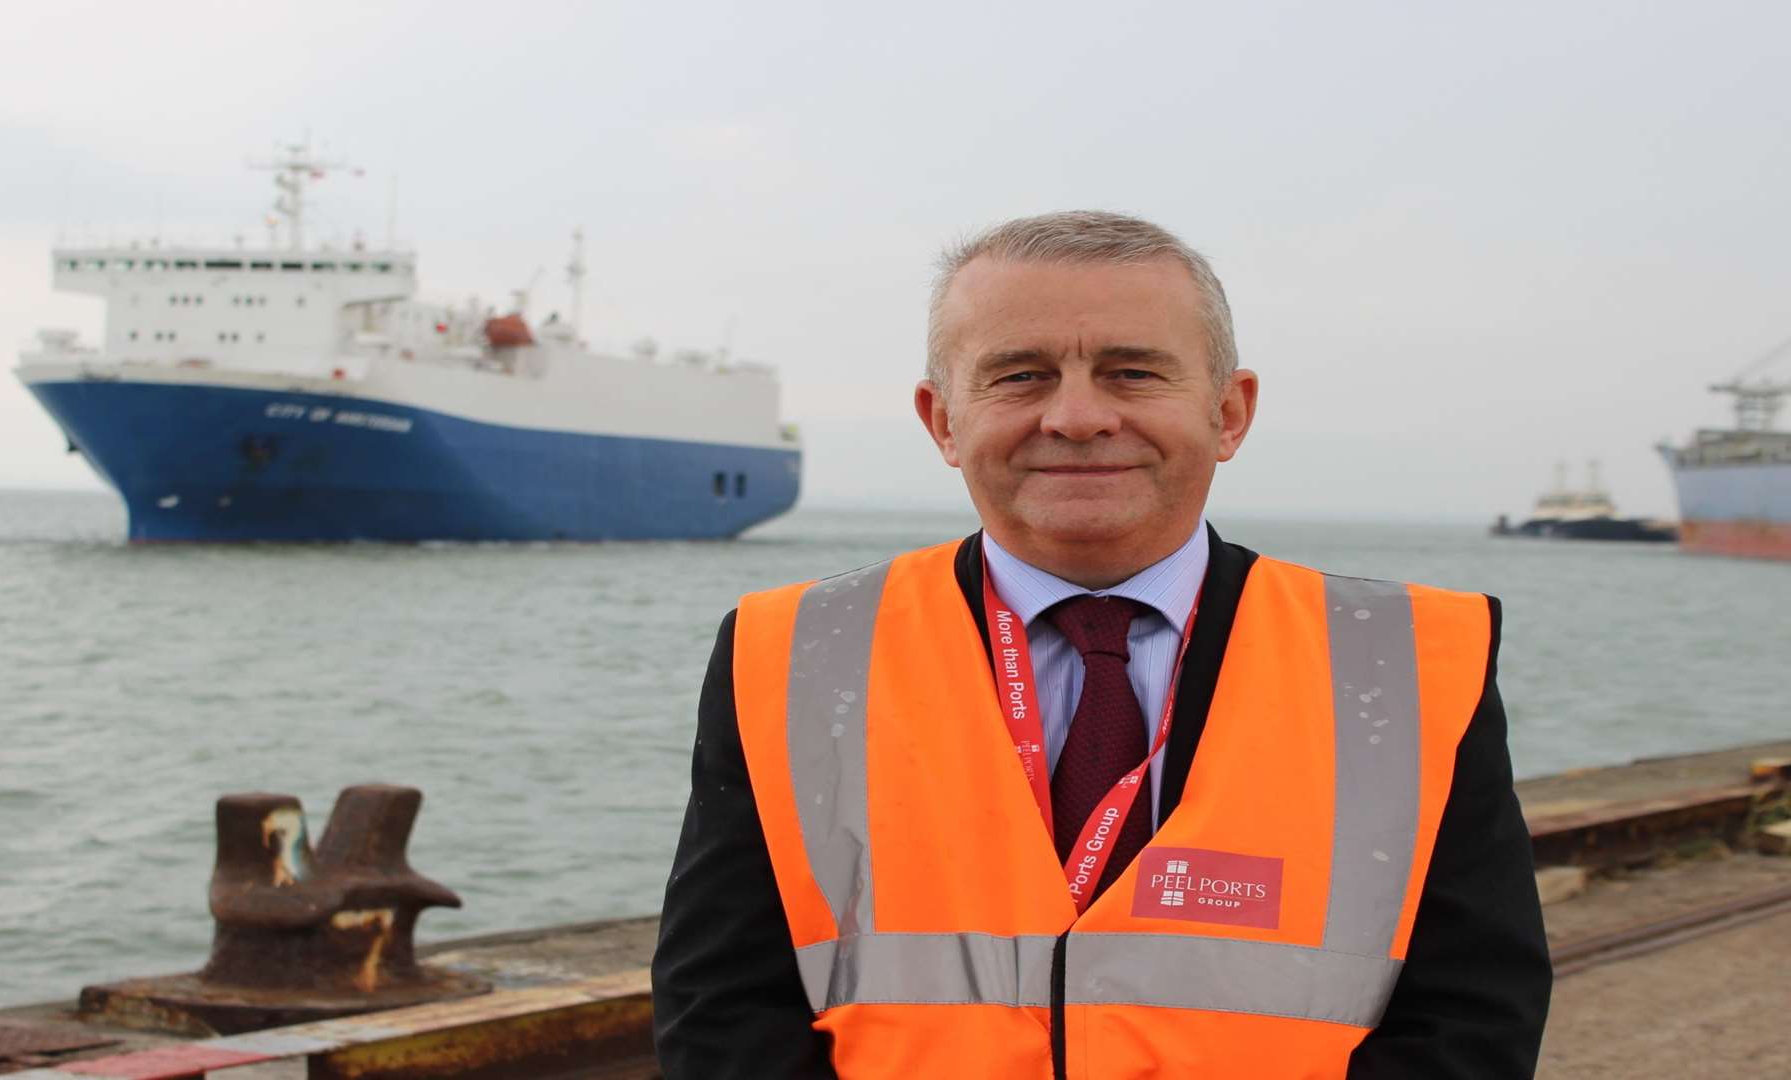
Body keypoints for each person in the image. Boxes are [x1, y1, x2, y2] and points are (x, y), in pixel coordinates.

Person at [651, 211, 1551, 1079]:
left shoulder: (1407, 662)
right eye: (1020, 376)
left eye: (1131, 373)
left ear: (1229, 412)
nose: (1077, 417)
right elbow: (723, 1004)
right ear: (943, 422)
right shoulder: (795, 654)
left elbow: (1471, 1010)